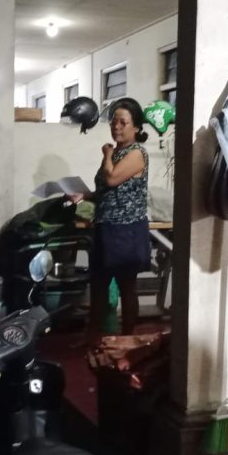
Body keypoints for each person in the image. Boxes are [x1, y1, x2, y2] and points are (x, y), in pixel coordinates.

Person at [70, 98, 150, 343]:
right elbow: (107, 189)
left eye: (123, 122)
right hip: (106, 227)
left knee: (127, 286)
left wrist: (107, 154)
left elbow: (113, 178)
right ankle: (94, 337)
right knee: (98, 284)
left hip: (126, 230)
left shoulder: (137, 153)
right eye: (114, 121)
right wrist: (85, 196)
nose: (116, 126)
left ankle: (127, 339)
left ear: (136, 127)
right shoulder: (117, 152)